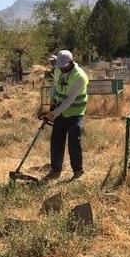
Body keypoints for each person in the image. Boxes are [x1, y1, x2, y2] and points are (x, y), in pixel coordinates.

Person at [43, 50, 89, 181]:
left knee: (74, 142)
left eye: (64, 66)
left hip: (75, 112)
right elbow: (55, 86)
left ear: (70, 63)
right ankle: (55, 170)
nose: (61, 68)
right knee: (56, 140)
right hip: (60, 109)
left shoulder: (79, 77)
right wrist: (52, 104)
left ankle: (77, 171)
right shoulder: (58, 69)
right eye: (59, 66)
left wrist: (54, 113)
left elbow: (69, 100)